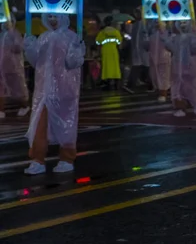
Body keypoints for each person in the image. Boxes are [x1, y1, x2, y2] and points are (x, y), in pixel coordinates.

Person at [23, 14, 85, 174]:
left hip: (65, 91)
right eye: (49, 16)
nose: (52, 20)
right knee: (39, 126)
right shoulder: (43, 37)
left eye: (55, 16)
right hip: (43, 92)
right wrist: (29, 47)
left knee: (66, 126)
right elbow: (36, 62)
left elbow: (73, 63)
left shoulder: (72, 37)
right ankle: (37, 160)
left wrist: (77, 49)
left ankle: (67, 159)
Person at [162, 20, 196, 117]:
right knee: (177, 89)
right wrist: (166, 40)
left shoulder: (193, 37)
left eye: (185, 23)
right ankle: (180, 108)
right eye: (180, 23)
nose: (183, 26)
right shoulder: (175, 38)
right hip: (177, 69)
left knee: (191, 87)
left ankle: (194, 104)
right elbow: (170, 48)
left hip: (191, 68)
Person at [0, 17, 30, 118]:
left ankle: (24, 106)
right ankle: (1, 110)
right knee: (1, 90)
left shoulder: (15, 34)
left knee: (18, 90)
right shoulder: (2, 35)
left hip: (13, 68)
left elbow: (18, 48)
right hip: (1, 68)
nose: (5, 24)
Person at [146, 21, 171, 102]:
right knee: (156, 77)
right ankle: (161, 92)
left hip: (163, 59)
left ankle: (163, 94)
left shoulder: (167, 35)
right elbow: (146, 46)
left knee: (163, 78)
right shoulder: (152, 36)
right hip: (155, 60)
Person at [96, 16, 122, 90]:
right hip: (114, 50)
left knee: (106, 67)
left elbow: (97, 41)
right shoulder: (116, 32)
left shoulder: (103, 32)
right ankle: (116, 80)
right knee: (115, 66)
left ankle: (107, 81)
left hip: (105, 51)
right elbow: (119, 41)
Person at [128, 9, 151, 90]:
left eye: (138, 13)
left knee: (146, 68)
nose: (136, 15)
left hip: (144, 50)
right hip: (137, 50)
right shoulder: (135, 24)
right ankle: (131, 85)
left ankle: (150, 85)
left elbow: (146, 36)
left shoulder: (145, 24)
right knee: (137, 66)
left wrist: (147, 47)